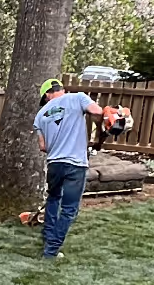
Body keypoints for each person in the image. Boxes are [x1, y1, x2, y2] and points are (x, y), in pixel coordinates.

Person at [33, 78, 103, 259]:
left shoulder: (40, 115)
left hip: (54, 164)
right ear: (61, 89)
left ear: (47, 94)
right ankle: (50, 251)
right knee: (69, 209)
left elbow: (43, 147)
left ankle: (48, 237)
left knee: (53, 198)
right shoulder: (77, 98)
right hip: (75, 165)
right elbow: (97, 111)